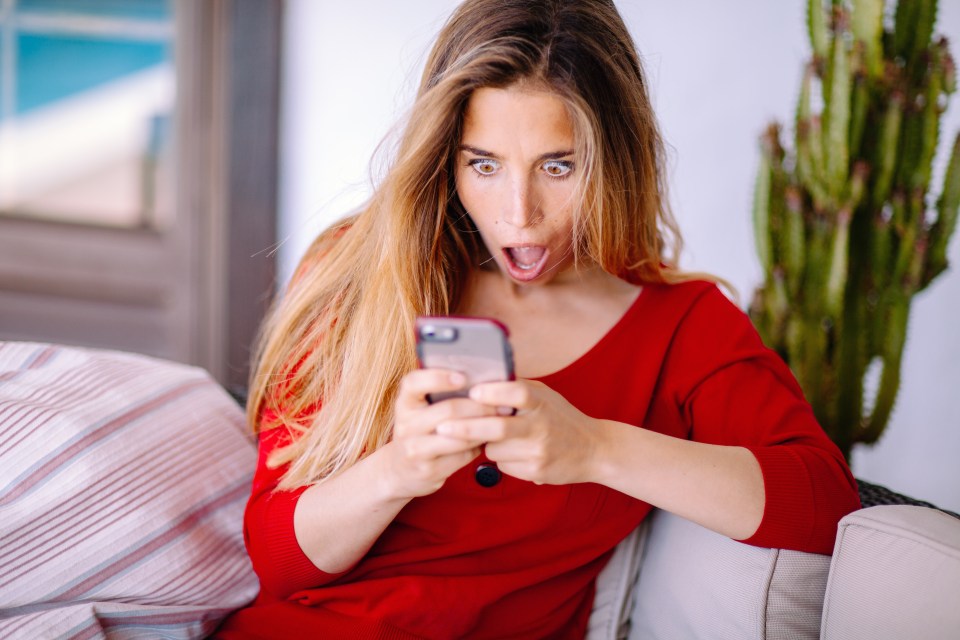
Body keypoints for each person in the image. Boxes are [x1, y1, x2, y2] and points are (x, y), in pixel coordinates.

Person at [217, 0, 861, 638]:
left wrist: (597, 448)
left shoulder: (682, 326)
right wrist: (400, 467)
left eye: (558, 166)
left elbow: (824, 507)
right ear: (446, 158)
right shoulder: (361, 270)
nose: (517, 213)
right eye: (484, 164)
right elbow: (278, 564)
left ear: (615, 159)